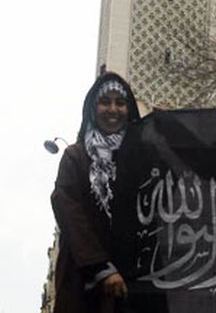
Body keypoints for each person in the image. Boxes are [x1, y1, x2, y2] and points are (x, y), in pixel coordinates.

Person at [51, 72, 142, 313]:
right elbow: (70, 213)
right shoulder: (76, 157)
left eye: (120, 103)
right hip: (84, 286)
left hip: (134, 283)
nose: (113, 109)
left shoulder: (141, 159)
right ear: (93, 108)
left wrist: (168, 128)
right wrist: (101, 268)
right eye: (105, 102)